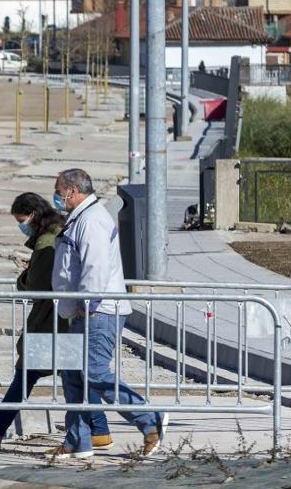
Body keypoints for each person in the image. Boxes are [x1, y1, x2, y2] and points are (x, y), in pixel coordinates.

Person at [0, 193, 113, 451]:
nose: (21, 225)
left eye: (22, 220)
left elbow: (37, 283)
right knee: (68, 375)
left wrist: (24, 276)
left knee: (44, 372)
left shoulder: (46, 241)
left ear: (32, 215)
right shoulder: (57, 231)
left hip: (54, 319)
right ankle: (99, 430)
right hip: (59, 318)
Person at [50, 168, 168, 459]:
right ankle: (78, 440)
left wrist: (88, 304)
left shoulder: (92, 221)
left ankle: (149, 419)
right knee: (73, 377)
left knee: (95, 373)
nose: (57, 197)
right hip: (80, 312)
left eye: (59, 191)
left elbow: (96, 268)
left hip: (97, 312)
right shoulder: (79, 219)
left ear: (72, 191)